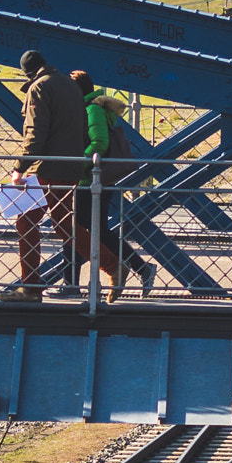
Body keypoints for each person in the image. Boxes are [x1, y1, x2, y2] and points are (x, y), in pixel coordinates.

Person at [3, 48, 89, 298]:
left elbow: (35, 133)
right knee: (65, 226)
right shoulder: (70, 85)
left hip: (48, 168)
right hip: (71, 167)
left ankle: (30, 287)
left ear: (27, 72)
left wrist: (19, 168)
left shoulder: (39, 87)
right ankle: (114, 263)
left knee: (26, 221)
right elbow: (83, 132)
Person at [70, 69, 155, 300]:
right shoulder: (91, 108)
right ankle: (140, 268)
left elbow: (99, 143)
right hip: (93, 180)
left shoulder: (92, 109)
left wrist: (78, 165)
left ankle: (72, 284)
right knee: (89, 230)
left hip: (90, 180)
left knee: (76, 229)